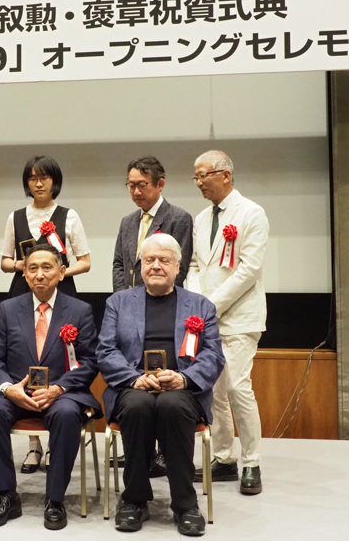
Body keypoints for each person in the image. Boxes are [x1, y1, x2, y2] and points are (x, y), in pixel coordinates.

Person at [97, 234, 224, 536]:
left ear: (177, 267)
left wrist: (184, 378)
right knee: (138, 406)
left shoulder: (201, 305)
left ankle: (185, 504)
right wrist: (133, 378)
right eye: (149, 260)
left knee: (171, 405)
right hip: (132, 386)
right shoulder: (118, 303)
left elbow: (213, 354)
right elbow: (106, 351)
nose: (156, 266)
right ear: (140, 265)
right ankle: (134, 500)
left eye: (164, 260)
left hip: (182, 388)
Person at [0, 244, 101, 531]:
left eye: (47, 267)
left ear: (61, 272)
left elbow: (89, 361)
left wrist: (58, 389)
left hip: (62, 393)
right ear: (25, 274)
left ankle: (54, 499)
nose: (39, 274)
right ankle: (6, 495)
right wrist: (8, 389)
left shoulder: (80, 310)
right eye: (32, 268)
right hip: (15, 392)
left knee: (67, 414)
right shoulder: (8, 309)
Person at [0, 155, 92, 473]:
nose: (38, 183)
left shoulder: (69, 216)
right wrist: (27, 267)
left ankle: (55, 442)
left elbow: (85, 261)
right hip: (23, 292)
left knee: (58, 361)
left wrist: (58, 274)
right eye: (32, 178)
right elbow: (5, 261)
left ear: (55, 181)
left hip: (61, 295)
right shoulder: (15, 217)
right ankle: (33, 447)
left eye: (45, 177)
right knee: (26, 363)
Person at [186, 150, 269, 495]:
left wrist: (211, 305)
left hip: (239, 317)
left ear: (225, 175)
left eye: (203, 175)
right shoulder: (202, 218)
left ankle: (252, 462)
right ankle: (223, 458)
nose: (199, 182)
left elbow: (249, 270)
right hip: (207, 319)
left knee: (237, 387)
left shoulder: (251, 213)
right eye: (196, 177)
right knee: (214, 391)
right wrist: (196, 300)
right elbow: (194, 264)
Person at [112, 156, 193, 477]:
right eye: (131, 185)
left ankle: (162, 452)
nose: (136, 191)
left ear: (160, 184)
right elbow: (120, 264)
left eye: (142, 185)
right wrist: (124, 299)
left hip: (164, 308)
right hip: (131, 310)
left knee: (163, 384)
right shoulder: (127, 221)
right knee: (135, 382)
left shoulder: (178, 218)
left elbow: (179, 268)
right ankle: (139, 449)